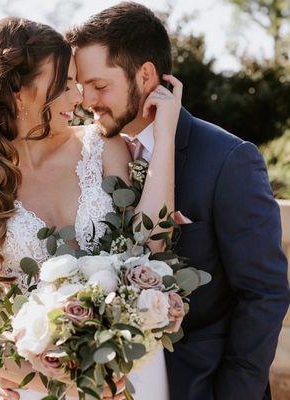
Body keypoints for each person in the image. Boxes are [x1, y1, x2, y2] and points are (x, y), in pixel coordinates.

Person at [0, 15, 183, 400]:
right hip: (40, 386)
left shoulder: (103, 147)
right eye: (65, 85)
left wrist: (166, 136)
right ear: (19, 90)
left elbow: (151, 244)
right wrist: (52, 382)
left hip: (129, 376)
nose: (80, 98)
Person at [64, 2, 290, 400]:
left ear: (146, 75)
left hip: (200, 384)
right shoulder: (85, 155)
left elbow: (263, 294)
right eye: (82, 88)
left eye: (100, 86)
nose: (87, 102)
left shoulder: (228, 160)